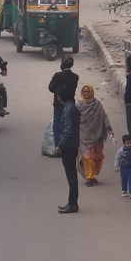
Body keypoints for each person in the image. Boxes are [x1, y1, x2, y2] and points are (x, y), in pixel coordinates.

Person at [76, 85, 113, 187]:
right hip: (83, 136)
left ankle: (92, 175)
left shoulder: (97, 105)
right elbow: (73, 119)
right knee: (87, 158)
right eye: (84, 92)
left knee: (97, 159)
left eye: (88, 92)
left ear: (91, 92)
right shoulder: (79, 106)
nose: (86, 94)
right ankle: (89, 177)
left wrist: (109, 128)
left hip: (96, 136)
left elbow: (104, 116)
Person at [56, 85, 80, 214]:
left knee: (71, 176)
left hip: (69, 146)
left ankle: (72, 203)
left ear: (60, 97)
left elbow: (67, 130)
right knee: (72, 176)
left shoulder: (68, 109)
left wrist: (60, 145)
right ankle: (72, 202)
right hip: (73, 144)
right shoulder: (71, 107)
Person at [48, 55, 79, 146]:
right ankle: (68, 145)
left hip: (58, 103)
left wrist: (58, 92)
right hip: (70, 103)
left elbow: (50, 88)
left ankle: (58, 147)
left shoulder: (57, 75)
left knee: (57, 125)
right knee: (69, 125)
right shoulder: (75, 76)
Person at [113, 134, 131, 199]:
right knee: (124, 180)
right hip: (123, 169)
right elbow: (117, 158)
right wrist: (116, 167)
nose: (130, 144)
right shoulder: (121, 151)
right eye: (128, 143)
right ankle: (124, 191)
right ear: (124, 143)